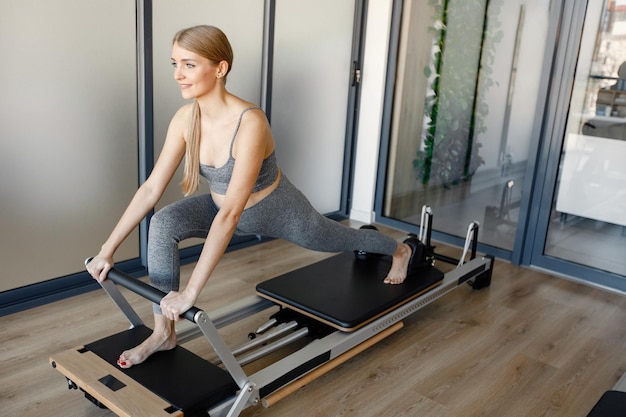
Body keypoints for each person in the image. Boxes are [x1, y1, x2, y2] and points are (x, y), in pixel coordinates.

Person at [86, 25, 415, 369]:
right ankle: (163, 333)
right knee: (164, 222)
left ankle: (399, 249)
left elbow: (231, 214)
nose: (178, 75)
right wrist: (107, 251)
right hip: (219, 207)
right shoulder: (186, 118)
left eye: (189, 64)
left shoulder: (250, 122)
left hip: (278, 210)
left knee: (334, 238)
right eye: (175, 64)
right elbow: (151, 188)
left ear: (220, 67)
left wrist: (191, 294)